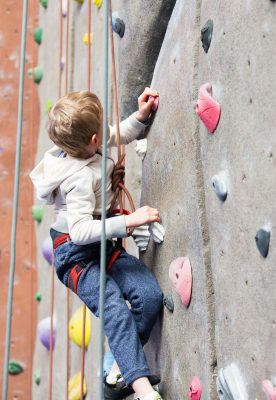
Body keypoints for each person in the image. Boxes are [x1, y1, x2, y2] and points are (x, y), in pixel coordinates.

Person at [30, 88, 164, 400]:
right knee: (114, 306)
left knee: (149, 295)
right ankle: (143, 389)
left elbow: (116, 134)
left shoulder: (85, 146)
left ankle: (116, 370)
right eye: (100, 130)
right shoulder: (76, 180)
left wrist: (140, 118)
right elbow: (79, 232)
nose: (105, 133)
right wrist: (129, 221)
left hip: (100, 245)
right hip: (75, 256)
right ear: (92, 141)